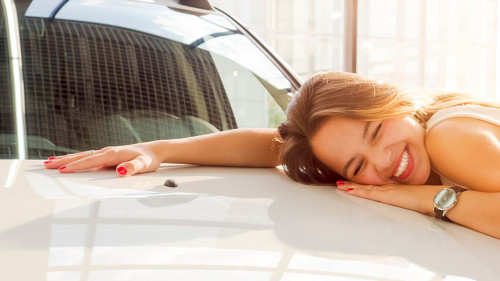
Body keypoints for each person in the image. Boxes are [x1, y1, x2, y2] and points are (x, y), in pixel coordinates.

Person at [44, 71, 500, 238]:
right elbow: (268, 146)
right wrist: (158, 147)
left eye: (378, 131)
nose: (383, 162)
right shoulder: (424, 127)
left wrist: (430, 200)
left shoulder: (447, 135)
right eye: (357, 166)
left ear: (396, 103)